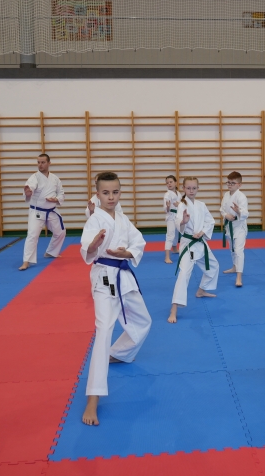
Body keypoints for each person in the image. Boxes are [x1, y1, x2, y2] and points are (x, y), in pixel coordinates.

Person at [80, 172, 152, 426]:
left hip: (124, 275)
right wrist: (93, 245)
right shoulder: (95, 220)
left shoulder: (123, 219)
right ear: (97, 195)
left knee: (143, 321)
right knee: (104, 331)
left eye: (115, 192)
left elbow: (139, 242)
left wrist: (128, 252)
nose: (111, 197)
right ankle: (93, 399)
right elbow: (87, 248)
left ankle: (119, 353)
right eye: (106, 193)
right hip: (105, 278)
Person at [168, 177, 219, 323]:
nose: (191, 191)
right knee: (184, 274)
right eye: (188, 188)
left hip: (200, 242)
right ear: (183, 188)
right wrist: (183, 222)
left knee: (214, 266)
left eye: (194, 188)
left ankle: (201, 290)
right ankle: (174, 309)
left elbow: (210, 221)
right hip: (189, 243)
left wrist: (202, 232)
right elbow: (178, 223)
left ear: (198, 189)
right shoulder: (181, 206)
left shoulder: (201, 205)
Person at [19, 154, 66, 271]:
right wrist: (28, 192)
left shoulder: (55, 178)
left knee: (60, 232)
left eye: (43, 162)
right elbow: (30, 187)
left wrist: (56, 199)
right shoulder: (34, 177)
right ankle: (26, 261)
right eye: (38, 162)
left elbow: (61, 192)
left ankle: (51, 252)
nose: (40, 165)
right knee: (32, 235)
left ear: (49, 163)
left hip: (51, 210)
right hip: (37, 211)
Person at [219, 171, 249, 287]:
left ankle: (239, 277)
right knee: (232, 249)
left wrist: (238, 212)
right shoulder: (226, 195)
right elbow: (221, 209)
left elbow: (246, 213)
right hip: (229, 226)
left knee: (238, 251)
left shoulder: (241, 197)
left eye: (232, 183)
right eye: (228, 182)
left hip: (239, 227)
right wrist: (226, 215)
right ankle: (234, 267)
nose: (230, 185)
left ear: (239, 185)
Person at [163, 175, 181, 264]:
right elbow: (166, 210)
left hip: (178, 216)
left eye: (171, 182)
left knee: (176, 234)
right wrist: (168, 206)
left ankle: (174, 249)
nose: (169, 184)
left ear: (175, 183)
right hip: (171, 216)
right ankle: (167, 257)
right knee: (170, 235)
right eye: (167, 183)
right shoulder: (167, 195)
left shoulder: (179, 193)